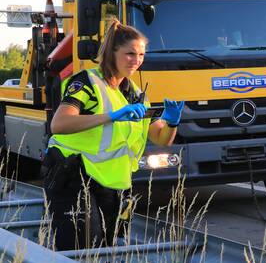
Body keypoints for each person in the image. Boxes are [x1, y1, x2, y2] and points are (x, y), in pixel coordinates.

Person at [43, 20, 184, 250]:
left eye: (141, 55)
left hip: (115, 185)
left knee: (110, 250)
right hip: (74, 177)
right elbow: (58, 124)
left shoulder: (135, 94)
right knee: (82, 251)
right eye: (130, 54)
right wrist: (112, 115)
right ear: (112, 52)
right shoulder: (86, 82)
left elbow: (161, 139)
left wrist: (172, 122)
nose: (136, 60)